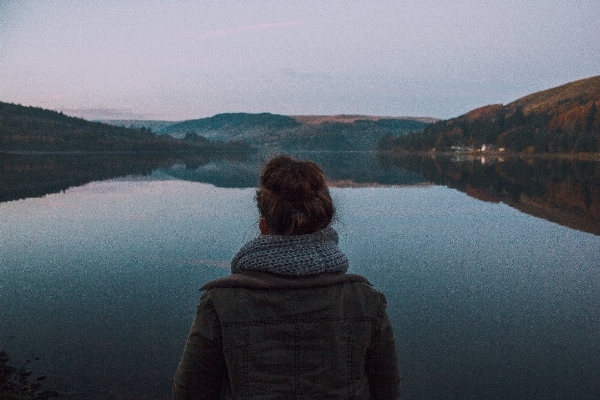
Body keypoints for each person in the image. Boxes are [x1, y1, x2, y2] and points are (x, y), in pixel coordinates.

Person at [173, 155, 401, 399]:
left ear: (263, 226)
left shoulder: (219, 304)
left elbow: (189, 393)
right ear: (322, 227)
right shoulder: (366, 301)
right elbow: (387, 392)